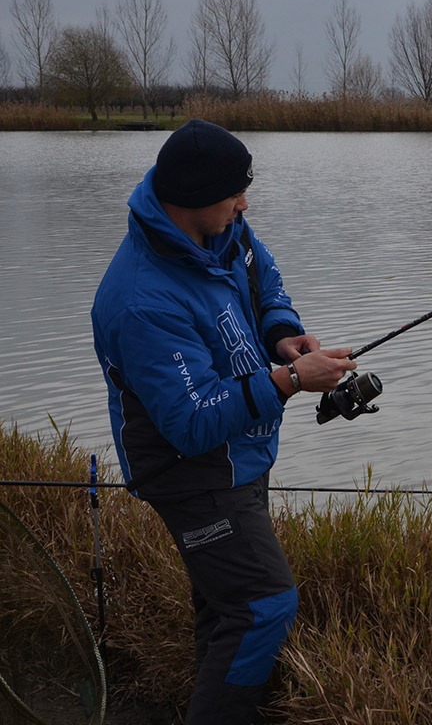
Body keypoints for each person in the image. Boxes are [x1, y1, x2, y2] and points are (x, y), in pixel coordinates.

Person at [91, 119, 356, 724]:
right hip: (193, 473)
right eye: (234, 192)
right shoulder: (141, 301)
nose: (244, 202)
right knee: (263, 605)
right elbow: (190, 423)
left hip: (240, 459)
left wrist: (282, 334)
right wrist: (292, 379)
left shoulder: (224, 230)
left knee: (224, 607)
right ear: (191, 198)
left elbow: (263, 275)